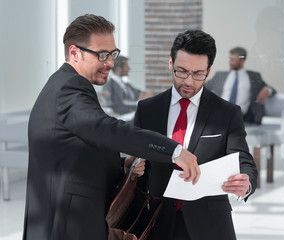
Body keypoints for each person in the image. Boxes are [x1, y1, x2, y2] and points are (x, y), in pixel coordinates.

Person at [23, 14, 200, 240]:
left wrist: (121, 164)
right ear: (74, 52)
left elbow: (72, 153)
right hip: (67, 223)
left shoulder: (66, 85)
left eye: (112, 54)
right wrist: (174, 151)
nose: (110, 62)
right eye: (102, 54)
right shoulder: (68, 89)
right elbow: (106, 129)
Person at [134, 30, 257, 240]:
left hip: (210, 226)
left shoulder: (227, 113)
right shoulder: (147, 110)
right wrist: (132, 166)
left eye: (198, 73)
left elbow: (243, 160)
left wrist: (246, 183)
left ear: (208, 71)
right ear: (170, 64)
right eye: (182, 71)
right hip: (156, 224)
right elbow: (135, 163)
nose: (189, 81)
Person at [205, 46, 276, 124]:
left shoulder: (254, 76)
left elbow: (272, 89)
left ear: (242, 60)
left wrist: (266, 90)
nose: (230, 62)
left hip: (243, 118)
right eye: (230, 59)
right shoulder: (220, 75)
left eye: (233, 60)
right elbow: (202, 87)